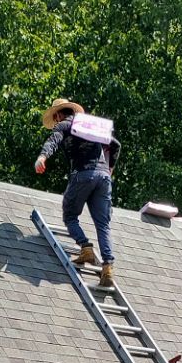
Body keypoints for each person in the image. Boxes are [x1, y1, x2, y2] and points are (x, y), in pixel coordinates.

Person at [35, 99, 120, 288]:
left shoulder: (64, 124)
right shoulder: (90, 126)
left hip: (82, 174)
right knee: (103, 224)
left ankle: (86, 248)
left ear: (57, 115)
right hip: (103, 178)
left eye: (55, 119)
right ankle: (107, 268)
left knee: (70, 215)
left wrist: (42, 157)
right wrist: (109, 169)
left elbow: (54, 140)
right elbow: (115, 145)